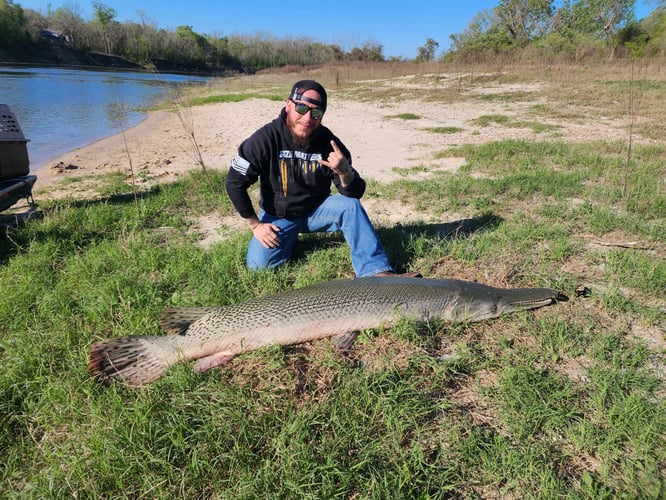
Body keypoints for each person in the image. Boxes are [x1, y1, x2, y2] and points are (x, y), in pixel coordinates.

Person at [225, 79, 420, 278]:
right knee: (258, 267)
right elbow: (234, 182)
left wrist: (345, 172)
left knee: (350, 207)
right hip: (278, 215)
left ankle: (376, 271)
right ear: (288, 105)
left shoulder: (328, 142)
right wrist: (256, 225)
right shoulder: (264, 139)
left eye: (316, 112)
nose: (308, 118)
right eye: (301, 108)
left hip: (317, 210)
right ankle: (289, 238)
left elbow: (354, 193)